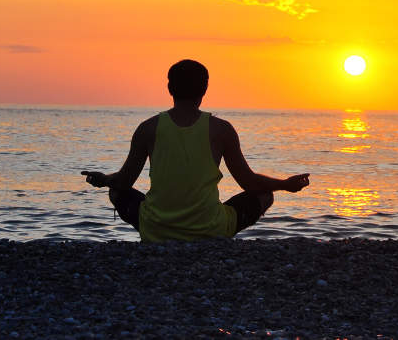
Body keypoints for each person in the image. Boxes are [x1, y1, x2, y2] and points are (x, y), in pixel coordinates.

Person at [81, 59, 310, 241]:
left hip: (157, 230)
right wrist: (284, 185)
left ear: (170, 87)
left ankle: (160, 231)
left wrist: (103, 180)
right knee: (264, 194)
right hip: (210, 229)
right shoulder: (221, 130)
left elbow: (123, 182)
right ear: (205, 88)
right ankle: (211, 234)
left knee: (116, 192)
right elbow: (249, 184)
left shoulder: (147, 128)